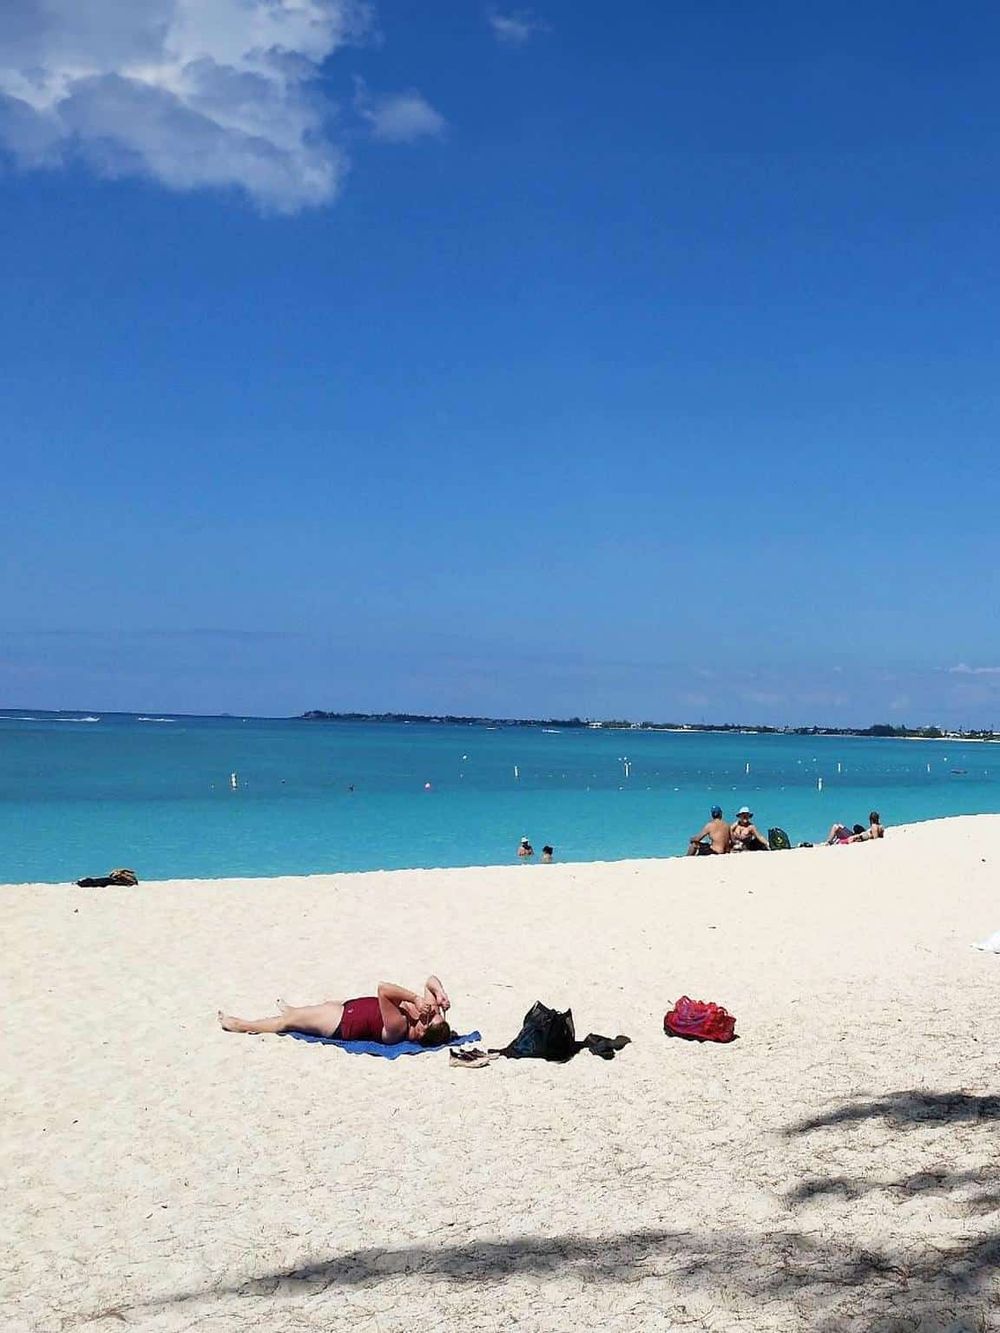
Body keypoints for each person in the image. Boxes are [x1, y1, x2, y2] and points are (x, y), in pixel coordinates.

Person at [218, 975, 452, 1046]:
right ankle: (294, 1009)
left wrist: (413, 999)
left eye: (429, 1019)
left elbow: (383, 990)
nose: (429, 1013)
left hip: (339, 1023)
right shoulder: (424, 1018)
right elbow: (430, 980)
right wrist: (440, 993)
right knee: (313, 1009)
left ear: (421, 1033)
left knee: (286, 1023)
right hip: (346, 1008)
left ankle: (241, 1025)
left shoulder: (398, 1028)